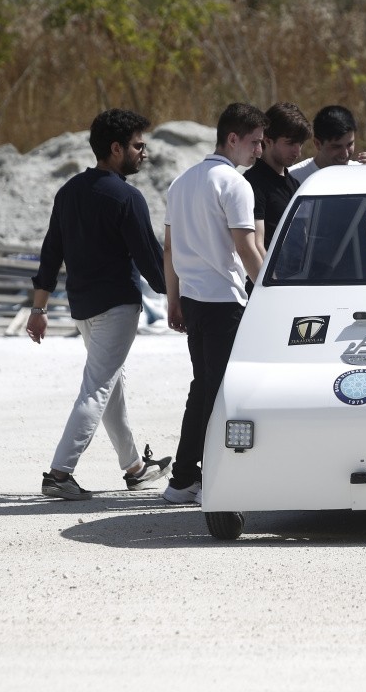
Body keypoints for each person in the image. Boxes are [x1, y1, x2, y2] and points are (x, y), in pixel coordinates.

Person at [29, 108, 172, 501]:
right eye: (138, 146)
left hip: (83, 310)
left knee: (111, 385)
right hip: (117, 308)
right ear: (116, 148)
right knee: (97, 387)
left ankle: (135, 468)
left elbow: (50, 253)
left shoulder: (69, 191)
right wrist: (178, 301)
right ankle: (60, 474)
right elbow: (149, 259)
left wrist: (38, 309)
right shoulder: (127, 197)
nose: (144, 153)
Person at [161, 102, 268, 505]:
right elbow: (247, 248)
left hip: (193, 300)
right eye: (255, 143)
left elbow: (169, 248)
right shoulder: (235, 184)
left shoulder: (181, 182)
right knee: (223, 394)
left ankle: (184, 477)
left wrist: (174, 301)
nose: (258, 151)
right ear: (233, 138)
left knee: (203, 389)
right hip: (225, 302)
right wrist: (271, 294)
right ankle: (208, 478)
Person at [245, 102, 312, 249]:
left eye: (300, 144)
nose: (297, 152)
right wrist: (268, 273)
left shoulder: (295, 185)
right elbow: (257, 246)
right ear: (267, 140)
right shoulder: (251, 185)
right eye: (290, 143)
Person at [289, 105, 366, 183]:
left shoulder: (363, 173)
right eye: (336, 147)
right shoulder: (293, 179)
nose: (345, 154)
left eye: (349, 144)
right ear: (317, 144)